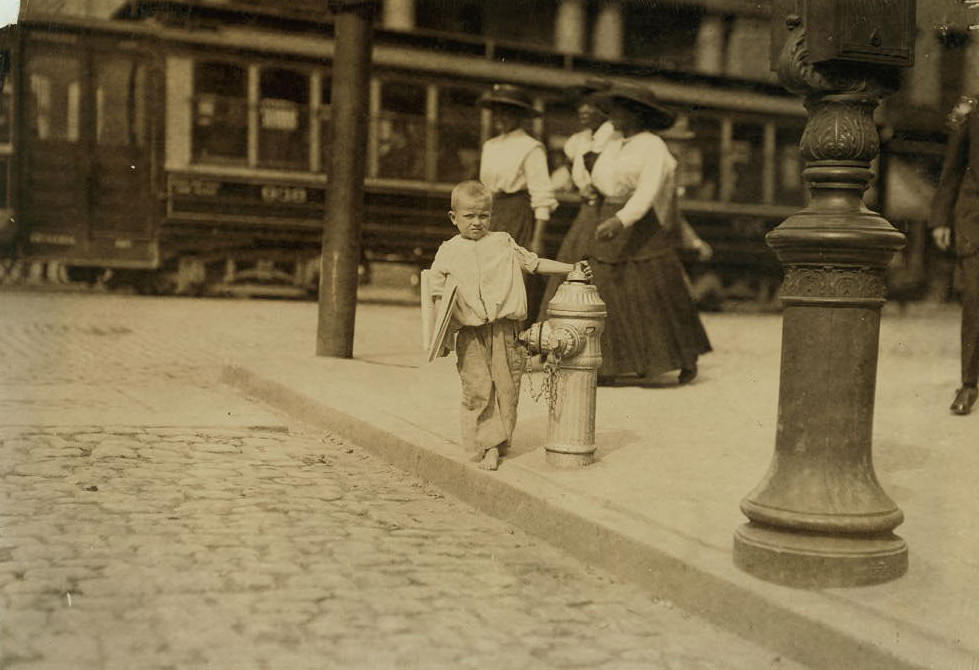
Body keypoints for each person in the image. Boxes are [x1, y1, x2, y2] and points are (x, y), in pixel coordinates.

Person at [428, 180, 590, 470]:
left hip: (506, 330)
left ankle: (499, 441)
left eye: (484, 215)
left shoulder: (502, 242)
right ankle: (487, 443)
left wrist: (571, 268)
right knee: (477, 387)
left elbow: (534, 263)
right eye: (470, 216)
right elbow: (436, 296)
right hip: (470, 333)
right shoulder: (448, 251)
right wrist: (440, 337)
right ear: (454, 218)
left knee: (507, 386)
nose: (477, 222)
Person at [586, 83, 711, 385]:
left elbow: (646, 191)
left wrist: (621, 220)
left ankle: (684, 355)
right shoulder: (613, 143)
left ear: (637, 114)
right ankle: (610, 365)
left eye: (619, 109)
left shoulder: (653, 146)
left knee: (655, 289)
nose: (611, 115)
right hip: (608, 215)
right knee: (607, 289)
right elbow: (600, 177)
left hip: (640, 223)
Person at [538, 89, 617, 320]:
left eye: (591, 106)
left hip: (606, 209)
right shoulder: (578, 140)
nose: (584, 111)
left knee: (597, 266)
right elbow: (569, 172)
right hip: (587, 209)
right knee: (571, 261)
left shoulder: (613, 137)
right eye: (581, 105)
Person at [929, 93, 979, 415]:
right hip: (975, 220)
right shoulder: (973, 114)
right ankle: (970, 384)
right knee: (975, 299)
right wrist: (940, 219)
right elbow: (951, 170)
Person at [477, 84, 558, 253]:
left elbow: (542, 196)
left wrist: (537, 240)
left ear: (520, 115)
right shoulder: (490, 145)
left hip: (516, 217)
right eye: (497, 112)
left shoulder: (531, 147)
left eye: (507, 112)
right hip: (490, 214)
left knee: (510, 268)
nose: (500, 117)